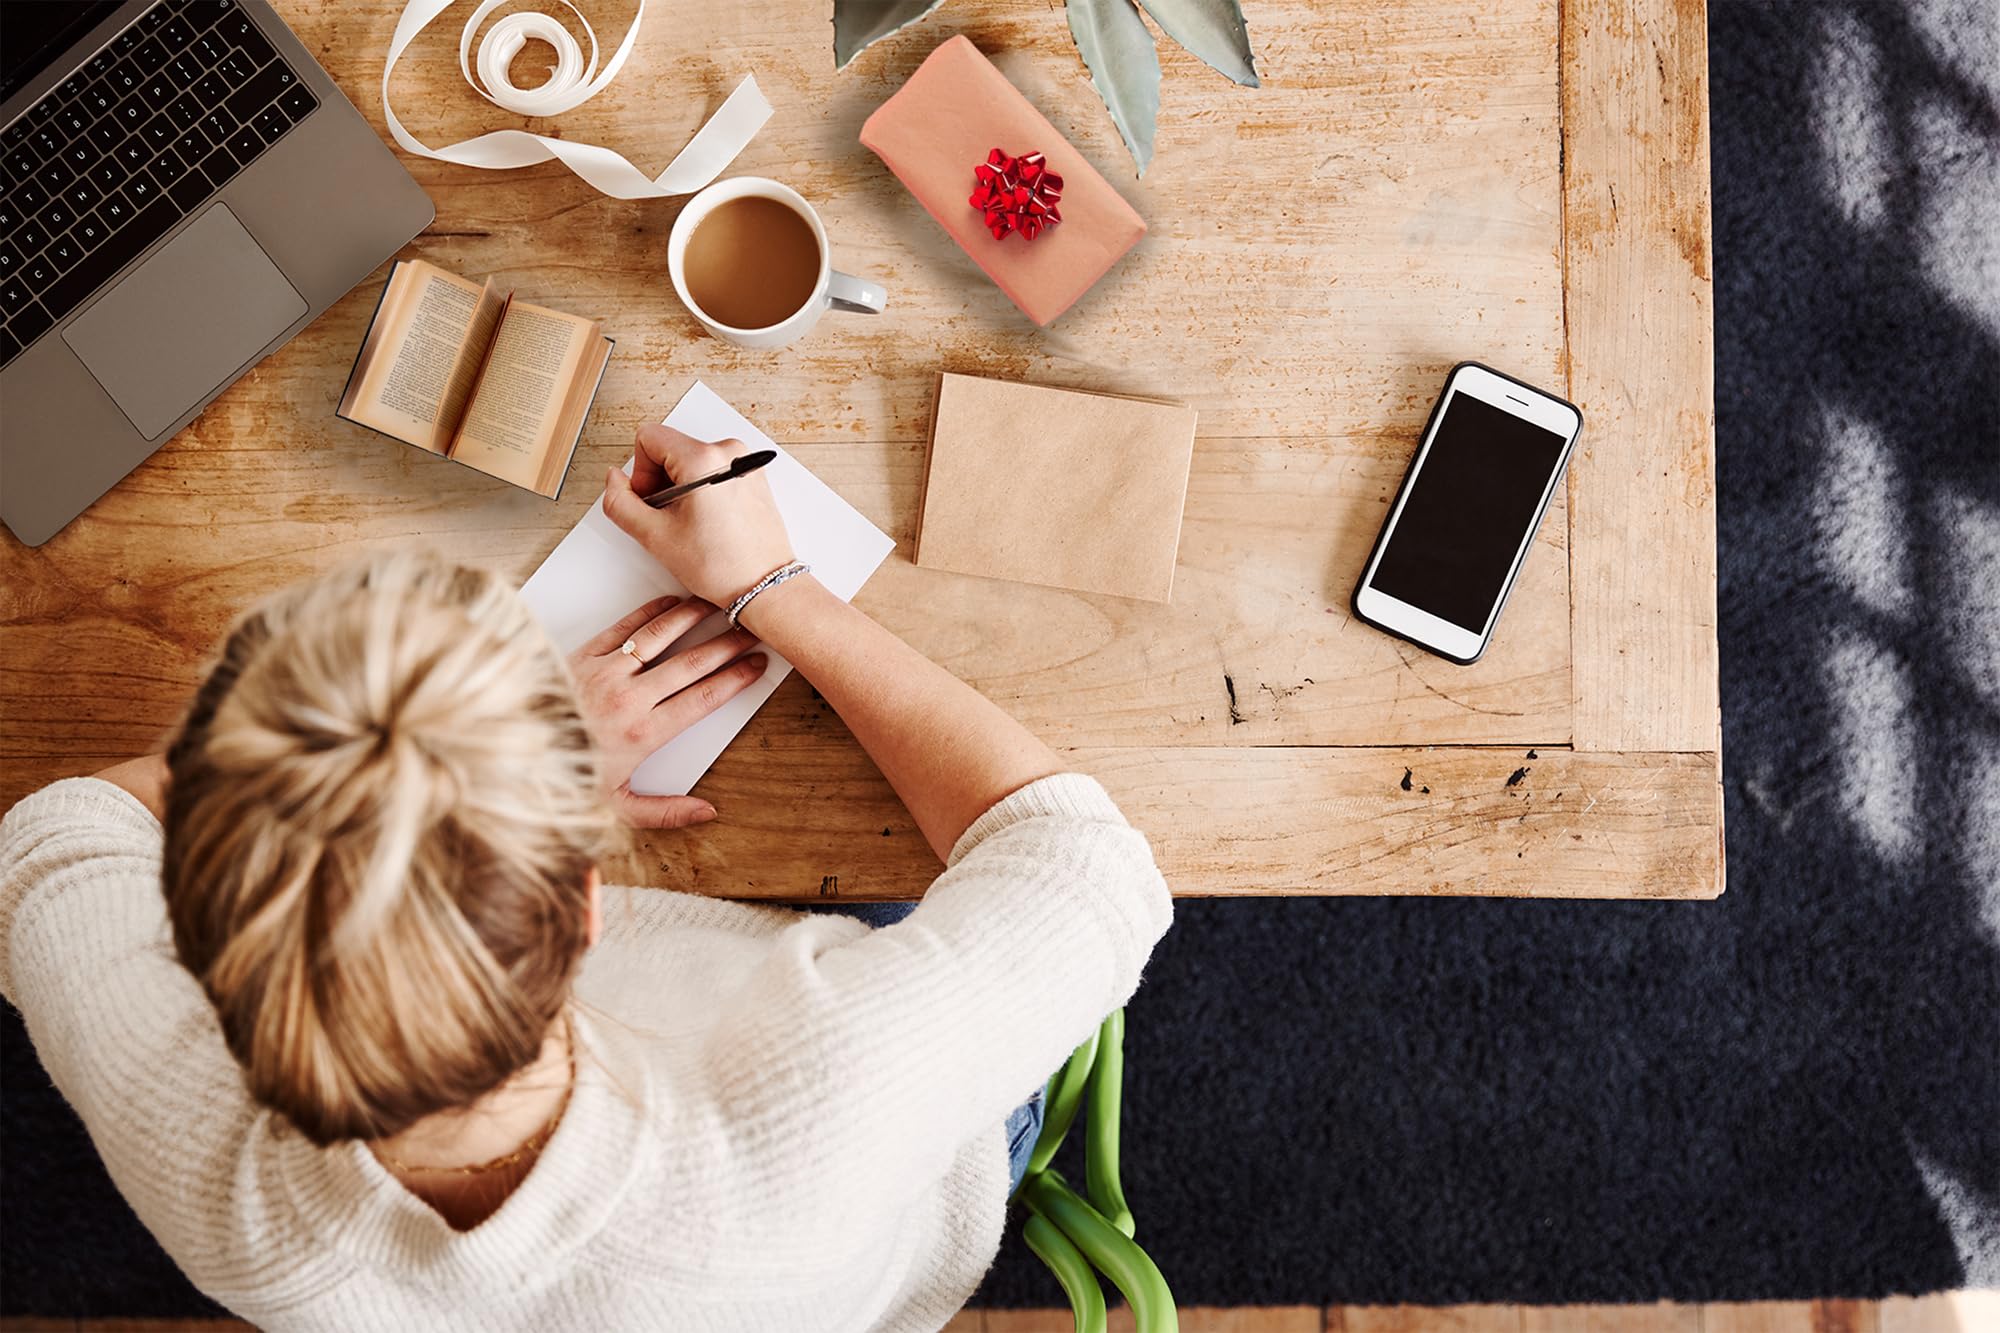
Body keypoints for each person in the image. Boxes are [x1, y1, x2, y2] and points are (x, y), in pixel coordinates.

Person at [0, 425, 1173, 1331]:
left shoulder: (196, 1146)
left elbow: (49, 840)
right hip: (886, 1190)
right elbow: (1089, 864)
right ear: (581, 906)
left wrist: (457, 778)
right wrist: (770, 582)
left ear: (208, 949)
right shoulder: (818, 1096)